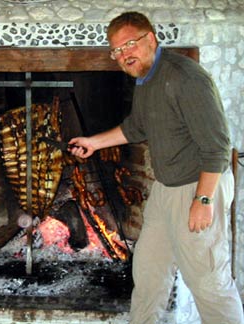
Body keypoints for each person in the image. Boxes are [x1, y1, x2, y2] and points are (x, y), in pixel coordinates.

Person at [69, 11, 244, 324]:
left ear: (151, 39)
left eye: (130, 44)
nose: (124, 55)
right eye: (117, 51)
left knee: (209, 282)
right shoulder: (145, 79)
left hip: (198, 185)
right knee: (149, 272)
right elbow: (136, 128)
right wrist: (94, 143)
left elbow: (217, 147)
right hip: (166, 188)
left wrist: (203, 200)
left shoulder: (185, 77)